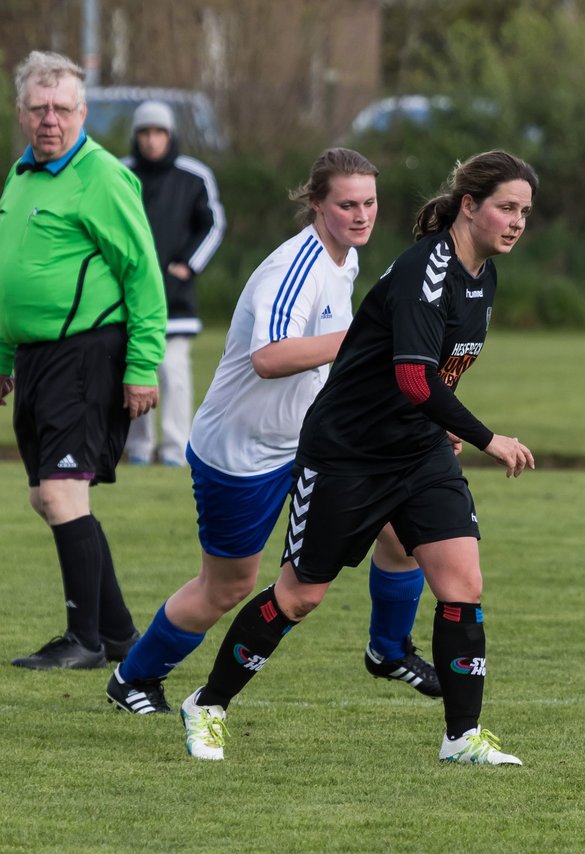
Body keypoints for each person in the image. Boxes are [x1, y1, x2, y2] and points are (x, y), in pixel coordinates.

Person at [175, 150, 539, 765]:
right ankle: (207, 706)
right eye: (506, 207)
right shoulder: (428, 269)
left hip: (416, 452)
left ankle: (462, 737)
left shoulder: (485, 277)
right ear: (470, 206)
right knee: (299, 597)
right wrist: (485, 437)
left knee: (462, 583)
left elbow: (439, 375)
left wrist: (442, 429)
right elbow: (415, 379)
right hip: (348, 453)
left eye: (525, 212)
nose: (517, 222)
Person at [105, 148, 441, 716]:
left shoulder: (345, 259)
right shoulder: (294, 269)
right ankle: (132, 678)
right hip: (242, 451)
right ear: (315, 203)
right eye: (347, 204)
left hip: (315, 443)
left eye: (370, 203)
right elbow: (270, 356)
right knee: (228, 586)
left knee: (399, 533)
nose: (362, 216)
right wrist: (365, 337)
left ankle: (387, 649)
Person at [0, 51, 166, 670]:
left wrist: (143, 365)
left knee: (63, 494)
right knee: (50, 498)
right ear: (21, 111)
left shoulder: (103, 177)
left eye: (63, 108)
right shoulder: (21, 175)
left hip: (86, 353)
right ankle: (118, 637)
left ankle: (83, 640)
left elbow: (143, 276)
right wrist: (2, 353)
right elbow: (14, 274)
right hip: (35, 358)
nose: (50, 120)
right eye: (39, 108)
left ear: (83, 112)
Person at [122, 100, 226, 468]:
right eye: (145, 133)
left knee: (173, 372)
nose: (152, 140)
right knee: (135, 369)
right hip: (128, 297)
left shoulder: (194, 176)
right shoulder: (119, 173)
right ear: (135, 136)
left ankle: (174, 449)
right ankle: (136, 447)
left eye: (159, 132)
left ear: (171, 135)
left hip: (175, 299)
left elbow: (213, 225)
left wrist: (188, 266)